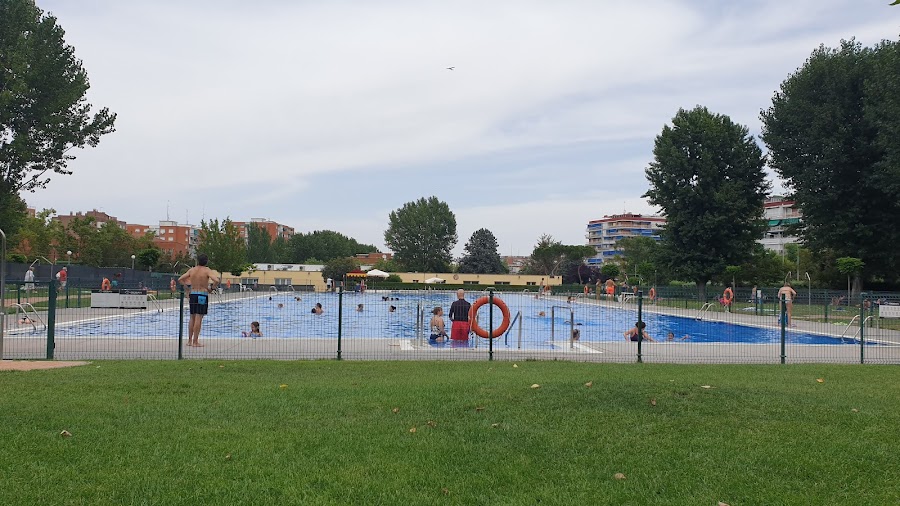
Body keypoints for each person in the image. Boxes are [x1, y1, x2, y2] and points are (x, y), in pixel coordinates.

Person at [178, 254, 221, 347]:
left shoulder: (192, 270)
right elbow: (216, 280)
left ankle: (189, 341)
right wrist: (211, 288)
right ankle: (195, 342)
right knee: (198, 318)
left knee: (192, 317)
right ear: (206, 261)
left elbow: (180, 279)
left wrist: (187, 289)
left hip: (193, 294)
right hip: (202, 295)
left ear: (198, 261)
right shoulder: (207, 270)